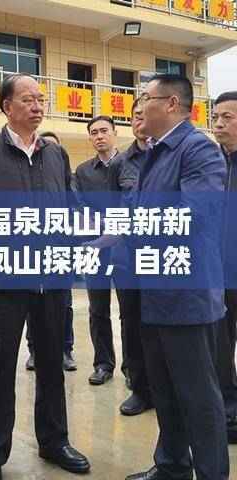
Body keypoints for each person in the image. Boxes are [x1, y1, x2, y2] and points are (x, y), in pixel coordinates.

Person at [0, 73, 90, 480]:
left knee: (51, 362)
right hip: (5, 280)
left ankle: (54, 441)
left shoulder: (56, 155)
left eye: (41, 99)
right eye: (28, 99)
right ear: (7, 107)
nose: (37, 106)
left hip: (51, 278)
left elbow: (69, 208)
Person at [126, 74, 229, 480]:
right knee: (165, 389)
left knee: (198, 397)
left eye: (145, 97)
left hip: (187, 296)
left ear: (171, 104)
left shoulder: (198, 149)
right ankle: (171, 465)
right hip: (155, 292)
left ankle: (211, 473)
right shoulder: (155, 152)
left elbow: (196, 214)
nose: (139, 106)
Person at [107, 103, 153, 416]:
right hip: (127, 259)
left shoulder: (171, 157)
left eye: (146, 115)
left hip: (163, 257)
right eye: (136, 116)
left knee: (162, 324)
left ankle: (164, 386)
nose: (141, 121)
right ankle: (139, 388)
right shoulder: (120, 163)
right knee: (131, 322)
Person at [74, 116, 128, 386]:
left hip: (126, 249)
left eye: (104, 131)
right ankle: (103, 364)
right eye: (94, 132)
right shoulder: (83, 171)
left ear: (115, 133)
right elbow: (79, 206)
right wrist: (104, 223)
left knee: (129, 311)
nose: (99, 136)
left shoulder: (130, 165)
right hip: (94, 248)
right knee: (98, 309)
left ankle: (132, 368)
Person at [25, 130, 76, 372]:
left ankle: (65, 350)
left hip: (59, 249)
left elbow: (72, 205)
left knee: (63, 305)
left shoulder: (62, 171)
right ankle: (34, 351)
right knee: (32, 302)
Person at [212, 90, 237, 444]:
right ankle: (228, 410)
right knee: (219, 344)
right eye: (215, 117)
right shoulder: (212, 165)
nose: (218, 124)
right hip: (218, 274)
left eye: (227, 117)